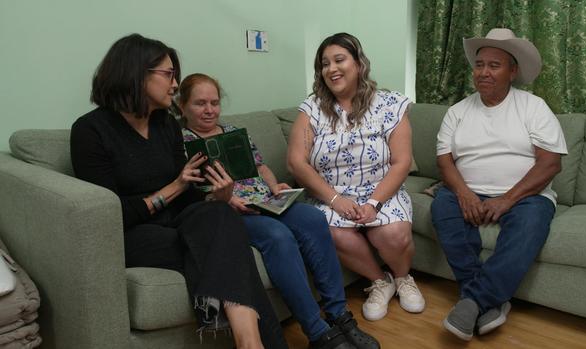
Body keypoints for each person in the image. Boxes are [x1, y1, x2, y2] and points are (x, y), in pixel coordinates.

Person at [70, 34, 287, 349]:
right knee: (224, 246)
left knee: (220, 216)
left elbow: (190, 196)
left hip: (177, 218)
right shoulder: (90, 131)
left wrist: (217, 195)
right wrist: (174, 187)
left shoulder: (165, 124)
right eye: (168, 74)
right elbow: (109, 213)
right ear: (136, 73)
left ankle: (248, 343)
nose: (175, 84)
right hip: (131, 232)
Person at [177, 73, 379, 349]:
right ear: (182, 106)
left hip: (265, 201)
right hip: (230, 214)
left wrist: (275, 187)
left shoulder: (234, 132)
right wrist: (222, 198)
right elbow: (189, 193)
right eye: (200, 104)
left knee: (313, 217)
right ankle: (317, 332)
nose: (210, 110)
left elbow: (260, 167)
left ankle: (339, 314)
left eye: (214, 102)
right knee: (277, 235)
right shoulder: (179, 142)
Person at [431, 28, 567, 341]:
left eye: (494, 65)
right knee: (442, 206)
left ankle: (473, 301)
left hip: (525, 195)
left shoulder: (533, 107)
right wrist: (464, 194)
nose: (484, 72)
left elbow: (551, 163)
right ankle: (486, 303)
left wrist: (506, 199)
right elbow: (444, 161)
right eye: (479, 65)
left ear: (512, 70)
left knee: (532, 223)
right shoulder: (457, 112)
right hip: (468, 190)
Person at [287, 32, 426, 322]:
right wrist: (336, 200)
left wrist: (374, 203)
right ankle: (380, 282)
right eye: (324, 64)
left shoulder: (390, 104)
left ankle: (403, 278)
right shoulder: (312, 109)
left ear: (359, 64)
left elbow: (401, 162)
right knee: (328, 231)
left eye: (339, 60)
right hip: (331, 193)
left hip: (381, 190)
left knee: (393, 234)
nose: (331, 69)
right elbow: (296, 163)